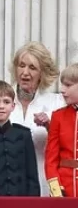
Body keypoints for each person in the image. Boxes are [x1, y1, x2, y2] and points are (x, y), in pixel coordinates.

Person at [0, 42, 63, 195]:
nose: (25, 72)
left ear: (42, 72)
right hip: (6, 187)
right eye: (21, 65)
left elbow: (68, 146)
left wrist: (50, 127)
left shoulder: (56, 103)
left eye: (32, 68)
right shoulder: (0, 102)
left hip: (45, 183)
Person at [45, 64, 78, 197]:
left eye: (68, 85)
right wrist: (56, 189)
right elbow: (51, 158)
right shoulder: (58, 116)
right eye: (62, 85)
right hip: (65, 187)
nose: (62, 90)